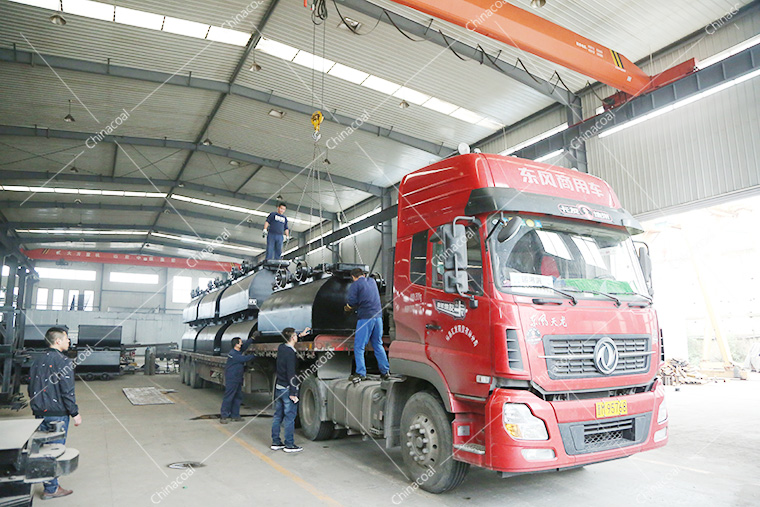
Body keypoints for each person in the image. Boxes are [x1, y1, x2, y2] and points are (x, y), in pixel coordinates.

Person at [28, 326, 81, 500]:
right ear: (57, 341)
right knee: (54, 450)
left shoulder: (37, 360)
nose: (68, 341)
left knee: (42, 449)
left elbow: (31, 387)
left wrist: (37, 406)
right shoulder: (64, 361)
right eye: (66, 338)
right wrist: (75, 413)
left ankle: (48, 483)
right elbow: (67, 391)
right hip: (56, 414)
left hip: (39, 412)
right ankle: (51, 489)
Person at [345, 268, 390, 382]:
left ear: (353, 277)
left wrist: (347, 309)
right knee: (378, 344)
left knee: (359, 346)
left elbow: (352, 302)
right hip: (378, 317)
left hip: (365, 318)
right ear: (363, 274)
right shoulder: (372, 282)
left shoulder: (355, 285)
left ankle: (361, 373)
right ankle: (385, 372)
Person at [271, 327, 310, 453]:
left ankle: (276, 442)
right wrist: (293, 393)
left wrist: (301, 334)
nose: (296, 337)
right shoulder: (291, 354)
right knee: (289, 417)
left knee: (278, 416)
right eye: (295, 336)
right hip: (288, 388)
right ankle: (289, 444)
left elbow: (289, 342)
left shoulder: (282, 348)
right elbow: (291, 374)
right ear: (293, 338)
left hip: (279, 387)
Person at [220, 336, 257, 424]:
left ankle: (235, 415)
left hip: (238, 378)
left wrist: (252, 339)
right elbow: (243, 359)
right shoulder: (233, 354)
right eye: (240, 342)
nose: (242, 344)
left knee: (238, 397)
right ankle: (224, 416)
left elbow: (244, 347)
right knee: (229, 397)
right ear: (236, 344)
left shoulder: (237, 351)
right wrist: (254, 355)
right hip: (232, 379)